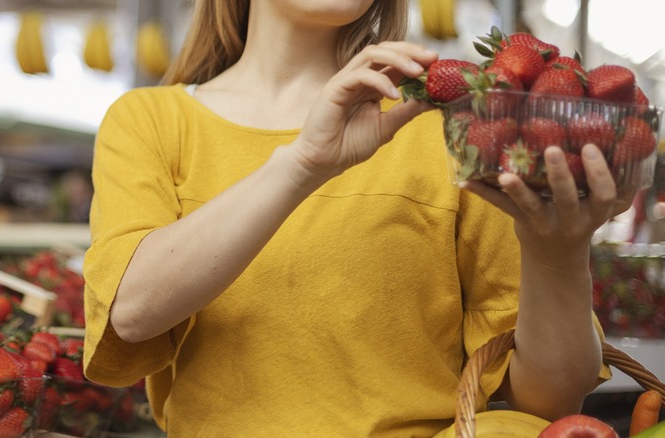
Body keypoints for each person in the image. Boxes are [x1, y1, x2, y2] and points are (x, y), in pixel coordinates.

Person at [82, 1, 626, 436]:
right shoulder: (150, 121)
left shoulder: (456, 128)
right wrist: (302, 164)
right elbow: (132, 312)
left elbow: (550, 400)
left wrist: (559, 254)